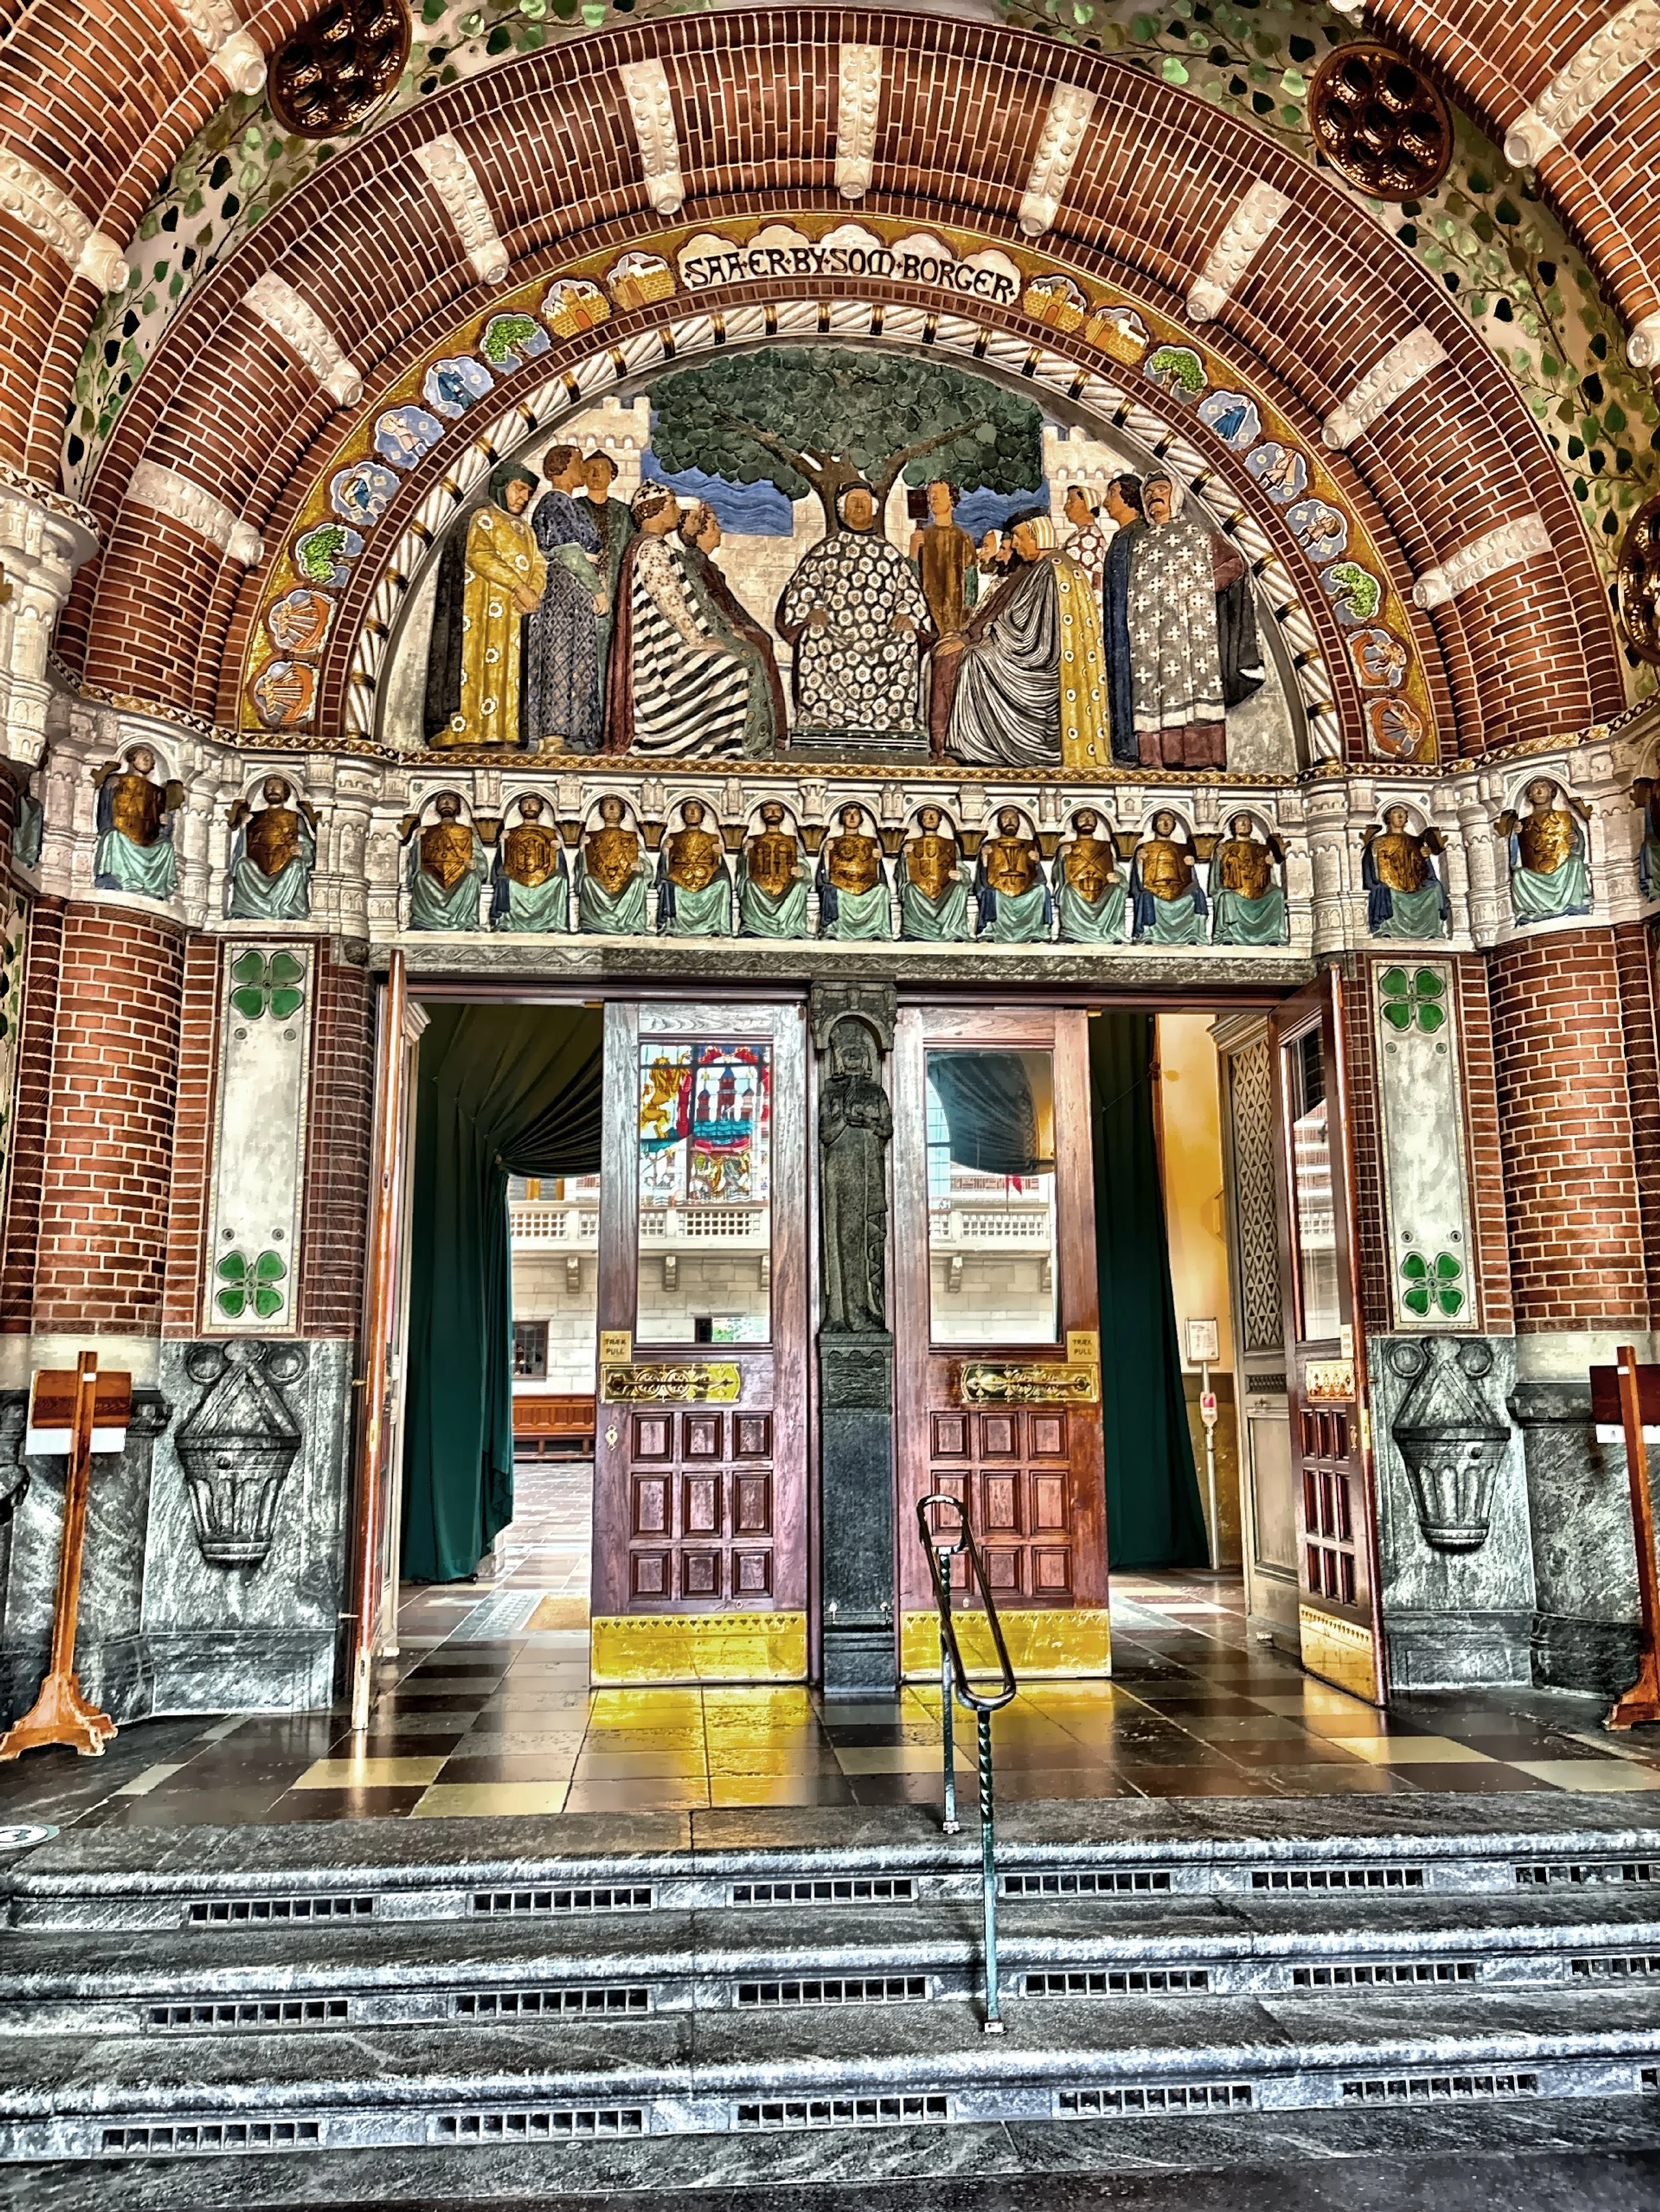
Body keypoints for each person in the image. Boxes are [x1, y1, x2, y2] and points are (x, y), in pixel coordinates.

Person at [936, 513, 1110, 769]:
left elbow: (1032, 632)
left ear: (1038, 535)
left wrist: (992, 635)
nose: (1015, 544)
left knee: (976, 661)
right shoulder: (1048, 567)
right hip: (1032, 653)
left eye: (1019, 537)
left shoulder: (1052, 570)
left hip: (1042, 663)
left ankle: (973, 749)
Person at [776, 483, 930, 745]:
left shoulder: (889, 554)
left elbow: (908, 593)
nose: (859, 506)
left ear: (874, 509)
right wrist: (813, 610)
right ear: (842, 509)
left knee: (907, 639)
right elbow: (803, 589)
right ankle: (821, 716)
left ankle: (893, 718)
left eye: (865, 502)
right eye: (853, 501)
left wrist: (905, 614)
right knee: (813, 636)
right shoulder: (824, 552)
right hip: (835, 637)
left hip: (882, 638)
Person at [604, 487, 752, 758]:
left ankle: (709, 747)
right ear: (656, 510)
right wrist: (697, 640)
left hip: (668, 645)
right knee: (730, 668)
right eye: (672, 505)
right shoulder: (651, 548)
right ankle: (695, 746)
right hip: (659, 658)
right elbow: (668, 599)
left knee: (730, 665)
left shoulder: (653, 545)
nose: (677, 512)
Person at [1127, 472, 1230, 769]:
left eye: (1161, 489)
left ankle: (1202, 759)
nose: (1153, 497)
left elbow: (1233, 563)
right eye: (1148, 493)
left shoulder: (1196, 533)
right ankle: (1154, 759)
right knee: (1150, 687)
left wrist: (1201, 590)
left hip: (1192, 628)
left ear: (1176, 495)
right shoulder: (1142, 542)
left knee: (1195, 686)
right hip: (1148, 631)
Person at [442, 461, 546, 749]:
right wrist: (519, 587)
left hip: (515, 614)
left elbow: (539, 564)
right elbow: (479, 555)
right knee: (477, 667)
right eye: (519, 489)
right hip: (483, 610)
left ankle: (503, 731)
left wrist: (533, 592)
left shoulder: (526, 530)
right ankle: (471, 731)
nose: (524, 498)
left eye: (528, 493)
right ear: (501, 486)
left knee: (510, 673)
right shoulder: (484, 518)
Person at [677, 500, 787, 755]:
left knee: (762, 640)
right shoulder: (695, 562)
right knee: (758, 645)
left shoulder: (705, 564)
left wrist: (747, 626)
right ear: (700, 532)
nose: (720, 531)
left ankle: (775, 731)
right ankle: (766, 733)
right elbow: (709, 605)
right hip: (711, 630)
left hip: (727, 626)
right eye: (714, 526)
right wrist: (733, 628)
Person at [523, 443, 606, 751]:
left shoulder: (569, 504)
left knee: (577, 658)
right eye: (579, 463)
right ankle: (553, 736)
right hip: (563, 586)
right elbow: (569, 552)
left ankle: (573, 736)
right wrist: (596, 589)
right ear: (563, 468)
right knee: (559, 655)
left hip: (575, 588)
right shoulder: (555, 501)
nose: (584, 469)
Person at [1099, 475, 1146, 767]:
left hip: (1132, 629)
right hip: (1117, 629)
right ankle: (1122, 746)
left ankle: (1132, 747)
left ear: (1129, 497)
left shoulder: (1138, 535)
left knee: (1131, 681)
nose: (1106, 502)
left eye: (1112, 494)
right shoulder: (1123, 536)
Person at [94, 744, 183, 898]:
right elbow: (106, 811)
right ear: (132, 758)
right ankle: (112, 879)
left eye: (151, 758)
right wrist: (108, 789)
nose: (148, 759)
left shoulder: (158, 793)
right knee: (112, 836)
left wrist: (166, 823)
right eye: (143, 755)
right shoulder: (117, 781)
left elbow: (163, 827)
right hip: (123, 835)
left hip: (147, 840)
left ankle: (156, 888)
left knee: (166, 846)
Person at [581, 450, 636, 698]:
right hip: (580, 599)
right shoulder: (575, 508)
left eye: (602, 469)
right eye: (590, 469)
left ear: (612, 475)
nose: (595, 474)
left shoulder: (625, 514)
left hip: (615, 598)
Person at [1498, 778, 1592, 924]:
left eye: (1543, 787)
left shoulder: (1566, 818)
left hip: (1562, 870)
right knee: (1519, 876)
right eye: (1534, 789)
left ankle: (1573, 903)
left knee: (1575, 864)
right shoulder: (1522, 824)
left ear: (1552, 792)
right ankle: (1532, 911)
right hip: (1535, 873)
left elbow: (1578, 846)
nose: (1539, 791)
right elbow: (1516, 861)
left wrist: (1574, 842)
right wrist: (1516, 836)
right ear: (1530, 795)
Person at [227, 775, 315, 921]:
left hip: (285, 870)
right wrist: (243, 827)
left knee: (297, 865)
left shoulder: (295, 818)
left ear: (285, 793)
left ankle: (288, 909)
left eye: (278, 787)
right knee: (243, 865)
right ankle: (247, 909)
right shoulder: (252, 818)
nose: (273, 790)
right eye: (269, 787)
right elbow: (241, 847)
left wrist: (303, 850)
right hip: (258, 868)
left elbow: (308, 845)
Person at [1363, 805, 1449, 939]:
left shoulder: (1417, 842)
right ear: (1388, 818)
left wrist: (1426, 858)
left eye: (1403, 814)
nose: (1400, 817)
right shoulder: (1379, 841)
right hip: (1392, 887)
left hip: (1415, 886)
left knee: (1435, 888)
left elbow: (1427, 872)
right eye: (1396, 813)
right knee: (1384, 891)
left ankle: (1432, 930)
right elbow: (1370, 870)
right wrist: (1374, 853)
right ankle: (1387, 928)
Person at [908, 479, 978, 641]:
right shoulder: (922, 537)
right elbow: (911, 580)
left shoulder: (964, 538)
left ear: (952, 499)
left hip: (955, 621)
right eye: (931, 494)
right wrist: (913, 554)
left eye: (940, 493)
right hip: (926, 617)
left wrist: (965, 618)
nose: (934, 497)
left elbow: (971, 583)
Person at [407, 792, 486, 929]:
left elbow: (480, 859)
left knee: (472, 878)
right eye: (443, 800)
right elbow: (415, 862)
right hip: (433, 876)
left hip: (459, 876)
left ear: (458, 807)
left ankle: (465, 920)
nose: (447, 803)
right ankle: (424, 920)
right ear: (437, 807)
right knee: (421, 878)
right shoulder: (426, 831)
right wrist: (419, 841)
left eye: (451, 800)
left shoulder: (467, 832)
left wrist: (475, 864)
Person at [491, 793, 568, 932]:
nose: (530, 806)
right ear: (520, 808)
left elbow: (559, 865)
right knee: (504, 880)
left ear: (541, 809)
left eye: (534, 804)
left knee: (560, 879)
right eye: (526, 804)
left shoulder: (550, 833)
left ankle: (554, 922)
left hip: (543, 877)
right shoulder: (510, 833)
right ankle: (506, 922)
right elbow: (501, 863)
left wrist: (558, 851)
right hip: (517, 876)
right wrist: (502, 843)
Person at [576, 793, 651, 932]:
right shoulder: (591, 838)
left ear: (622, 812)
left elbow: (646, 866)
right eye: (607, 806)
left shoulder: (631, 839)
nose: (611, 809)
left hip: (625, 885)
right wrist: (582, 851)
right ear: (601, 812)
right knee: (587, 880)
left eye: (615, 806)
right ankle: (593, 922)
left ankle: (632, 923)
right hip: (599, 886)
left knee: (639, 881)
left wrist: (642, 867)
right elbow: (582, 868)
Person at [657, 798, 732, 936]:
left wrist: (719, 855)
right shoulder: (673, 838)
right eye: (688, 810)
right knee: (668, 885)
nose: (692, 813)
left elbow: (720, 869)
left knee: (723, 884)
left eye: (696, 810)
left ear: (702, 815)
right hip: (680, 880)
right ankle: (672, 925)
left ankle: (718, 926)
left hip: (705, 881)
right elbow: (665, 869)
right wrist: (665, 852)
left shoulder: (712, 838)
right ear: (683, 815)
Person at [975, 807, 1052, 944]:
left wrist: (1036, 864)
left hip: (1024, 893)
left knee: (1042, 891)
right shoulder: (990, 846)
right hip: (1000, 892)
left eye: (1014, 819)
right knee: (990, 893)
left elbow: (1040, 881)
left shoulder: (1029, 846)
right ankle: (990, 930)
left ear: (1019, 823)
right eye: (1005, 818)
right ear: (999, 823)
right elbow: (984, 882)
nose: (1010, 821)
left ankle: (1037, 930)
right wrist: (985, 862)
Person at [1130, 810, 1207, 945]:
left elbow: (1191, 880)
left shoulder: (1182, 849)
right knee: (1146, 896)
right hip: (1155, 890)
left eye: (1169, 821)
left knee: (1197, 893)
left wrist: (1191, 867)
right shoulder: (1145, 848)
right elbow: (1139, 881)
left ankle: (1196, 932)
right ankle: (1148, 933)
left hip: (1178, 890)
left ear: (1174, 825)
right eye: (1162, 820)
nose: (1166, 824)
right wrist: (1140, 863)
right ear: (1155, 825)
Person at [1209, 814, 1287, 945]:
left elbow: (1269, 878)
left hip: (1258, 890)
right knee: (1226, 897)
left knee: (1277, 895)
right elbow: (1217, 874)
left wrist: (1270, 864)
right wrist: (1220, 858)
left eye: (1247, 822)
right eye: (1240, 822)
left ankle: (1273, 934)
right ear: (1233, 827)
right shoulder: (1225, 848)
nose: (1244, 825)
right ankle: (1228, 935)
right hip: (1235, 891)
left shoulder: (1261, 849)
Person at [898, 805, 971, 942]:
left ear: (940, 819)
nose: (931, 818)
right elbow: (901, 875)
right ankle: (915, 931)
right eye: (927, 815)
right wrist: (904, 858)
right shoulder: (910, 844)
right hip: (921, 891)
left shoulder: (950, 845)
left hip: (945, 890)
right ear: (921, 820)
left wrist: (961, 875)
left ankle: (953, 931)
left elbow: (961, 867)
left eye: (934, 815)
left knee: (960, 888)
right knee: (909, 889)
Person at [817, 802, 890, 939]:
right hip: (841, 884)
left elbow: (878, 876)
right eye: (848, 814)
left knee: (882, 890)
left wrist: (877, 861)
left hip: (864, 884)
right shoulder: (832, 842)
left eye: (855, 814)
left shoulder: (870, 843)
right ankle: (833, 929)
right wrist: (827, 855)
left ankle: (877, 929)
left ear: (861, 819)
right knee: (830, 890)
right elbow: (825, 876)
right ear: (842, 819)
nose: (852, 817)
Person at [740, 802, 810, 939]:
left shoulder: (791, 842)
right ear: (762, 815)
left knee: (800, 887)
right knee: (749, 885)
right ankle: (754, 926)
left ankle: (793, 927)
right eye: (768, 810)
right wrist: (746, 853)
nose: (773, 813)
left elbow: (802, 862)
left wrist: (801, 871)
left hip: (785, 886)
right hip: (762, 886)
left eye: (777, 810)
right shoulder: (754, 841)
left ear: (783, 815)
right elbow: (744, 869)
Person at [1056, 807, 1125, 943]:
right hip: (1077, 890)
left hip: (1102, 889)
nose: (1087, 820)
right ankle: (1073, 932)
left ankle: (1113, 932)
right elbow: (1058, 877)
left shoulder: (1106, 847)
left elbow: (1117, 869)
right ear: (1075, 823)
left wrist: (1118, 877)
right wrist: (1062, 859)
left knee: (1117, 890)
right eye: (1083, 818)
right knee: (1068, 891)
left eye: (1091, 818)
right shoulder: (1066, 847)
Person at [1061, 483, 1110, 595]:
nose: (1066, 507)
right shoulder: (1083, 533)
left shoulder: (1089, 536)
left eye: (1071, 501)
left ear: (1088, 504)